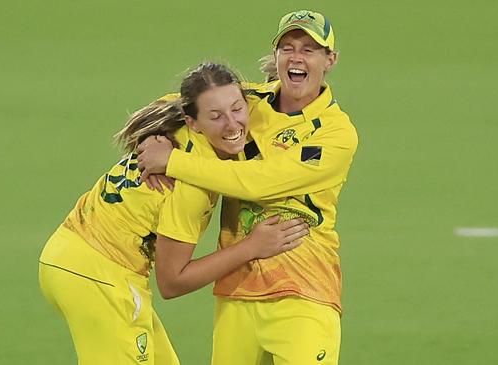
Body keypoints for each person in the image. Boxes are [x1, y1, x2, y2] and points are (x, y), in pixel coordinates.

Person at [38, 62, 309, 365]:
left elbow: (169, 106)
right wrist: (252, 247)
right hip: (100, 275)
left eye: (237, 109)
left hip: (67, 256)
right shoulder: (191, 186)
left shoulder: (174, 116)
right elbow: (172, 281)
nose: (232, 125)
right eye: (216, 116)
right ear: (193, 122)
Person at [137, 10, 358, 365]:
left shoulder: (336, 134)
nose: (296, 57)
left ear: (330, 60)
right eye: (287, 48)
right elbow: (183, 104)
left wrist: (173, 162)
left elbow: (260, 183)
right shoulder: (247, 102)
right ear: (276, 57)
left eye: (309, 49)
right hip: (237, 293)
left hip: (303, 292)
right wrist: (151, 137)